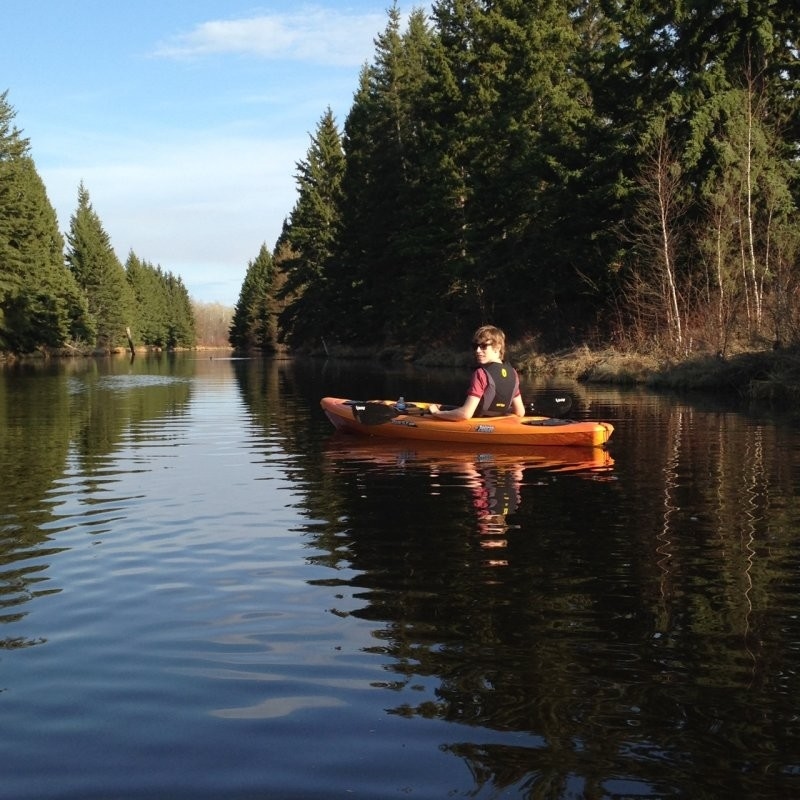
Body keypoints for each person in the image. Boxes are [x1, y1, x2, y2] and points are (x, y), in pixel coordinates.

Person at [427, 325, 526, 420]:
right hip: (497, 423)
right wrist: (502, 410)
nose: (478, 350)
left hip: (477, 423)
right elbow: (520, 412)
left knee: (437, 409)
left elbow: (465, 414)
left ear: (498, 347)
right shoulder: (513, 373)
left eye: (483, 346)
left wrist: (437, 413)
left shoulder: (481, 373)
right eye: (476, 346)